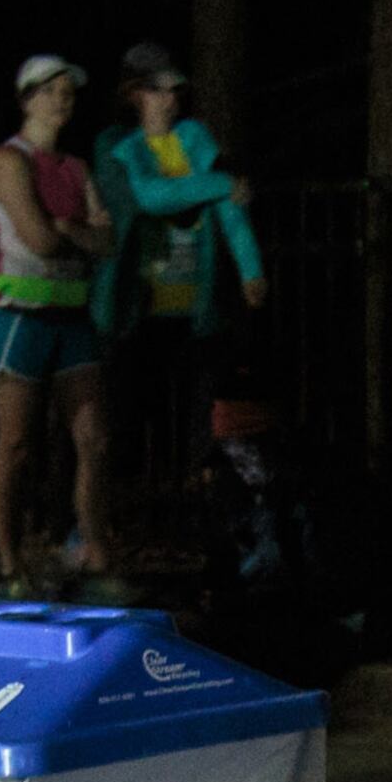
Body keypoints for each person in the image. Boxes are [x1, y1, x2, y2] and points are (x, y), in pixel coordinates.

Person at [93, 42, 270, 469]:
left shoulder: (193, 137)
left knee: (202, 416)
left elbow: (231, 208)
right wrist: (218, 184)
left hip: (196, 305)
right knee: (130, 411)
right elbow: (150, 197)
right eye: (159, 90)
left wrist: (251, 270)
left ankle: (200, 506)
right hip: (141, 305)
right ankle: (125, 503)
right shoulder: (123, 147)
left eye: (174, 90)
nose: (171, 99)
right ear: (136, 94)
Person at [0, 50, 114, 584]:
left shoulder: (74, 166)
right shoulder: (9, 160)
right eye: (51, 90)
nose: (63, 99)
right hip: (19, 318)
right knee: (16, 445)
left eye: (69, 91)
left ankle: (94, 549)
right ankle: (11, 562)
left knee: (95, 439)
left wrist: (67, 230)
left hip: (70, 319)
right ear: (27, 99)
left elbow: (106, 242)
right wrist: (69, 232)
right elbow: (36, 241)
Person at [189, 374, 392, 689]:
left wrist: (251, 603)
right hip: (273, 616)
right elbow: (224, 568)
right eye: (230, 453)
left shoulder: (326, 488)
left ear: (274, 440)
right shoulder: (234, 491)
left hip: (335, 625)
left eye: (246, 449)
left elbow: (334, 588)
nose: (240, 464)